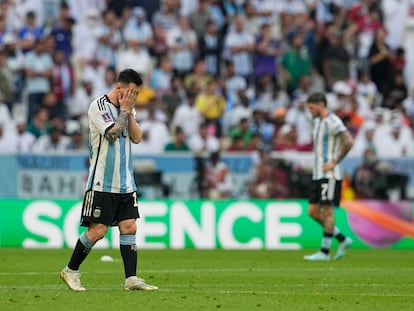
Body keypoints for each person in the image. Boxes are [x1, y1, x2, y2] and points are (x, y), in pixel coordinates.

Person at [60, 69, 158, 291]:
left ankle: (131, 278)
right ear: (119, 88)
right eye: (132, 92)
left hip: (125, 182)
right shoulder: (99, 106)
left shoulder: (128, 109)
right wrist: (124, 111)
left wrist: (129, 112)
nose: (134, 97)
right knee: (99, 230)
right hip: (102, 181)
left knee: (129, 227)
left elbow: (137, 137)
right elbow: (112, 134)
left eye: (137, 93)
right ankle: (70, 271)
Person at [304, 92, 354, 261]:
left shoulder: (334, 121)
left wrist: (335, 161)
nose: (309, 111)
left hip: (330, 174)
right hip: (317, 173)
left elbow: (348, 141)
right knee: (312, 212)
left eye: (311, 108)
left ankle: (324, 252)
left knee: (327, 211)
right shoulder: (317, 121)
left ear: (320, 105)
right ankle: (342, 239)